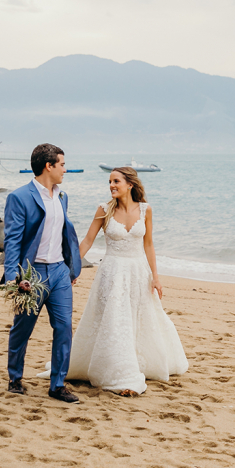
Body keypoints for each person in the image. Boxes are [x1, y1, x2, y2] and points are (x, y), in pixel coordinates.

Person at [67, 167, 188, 396]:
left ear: (130, 184)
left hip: (138, 273)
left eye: (116, 181)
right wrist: (71, 269)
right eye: (110, 181)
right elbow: (87, 241)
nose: (112, 185)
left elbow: (149, 245)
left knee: (138, 319)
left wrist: (156, 277)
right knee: (115, 321)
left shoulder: (145, 210)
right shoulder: (104, 210)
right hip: (111, 273)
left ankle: (137, 362)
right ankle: (119, 372)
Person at [2, 143, 82, 403]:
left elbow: (63, 234)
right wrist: (15, 274)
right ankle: (15, 378)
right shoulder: (19, 197)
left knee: (64, 327)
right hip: (31, 273)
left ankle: (57, 384)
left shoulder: (62, 196)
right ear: (49, 166)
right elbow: (12, 240)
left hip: (60, 272)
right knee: (23, 328)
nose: (65, 170)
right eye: (62, 164)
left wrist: (72, 267)